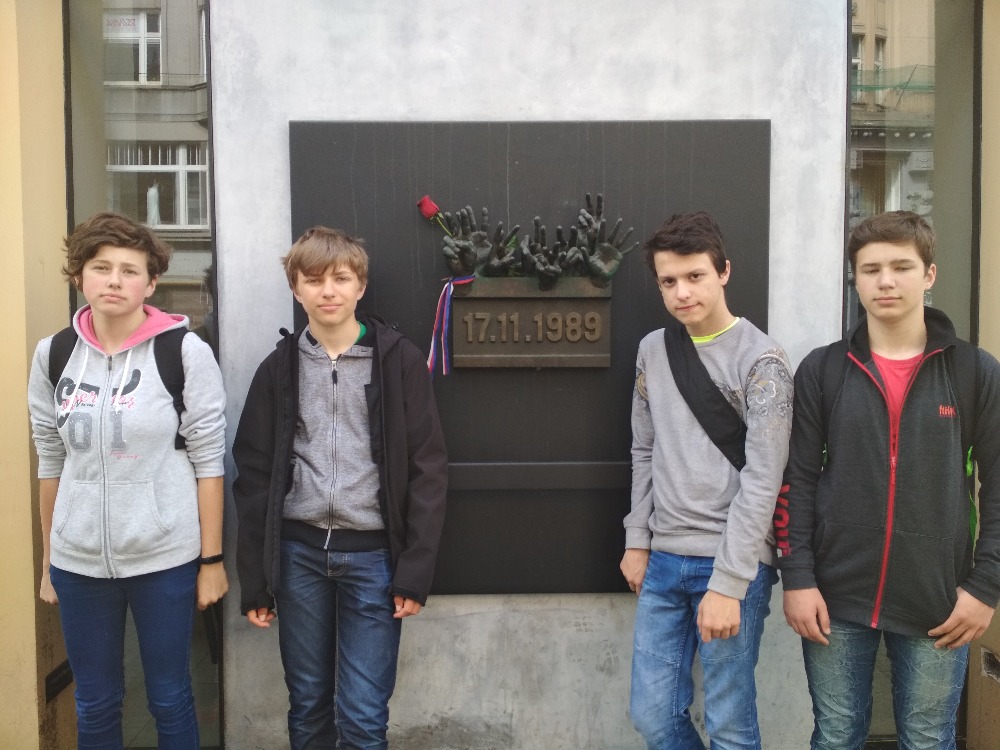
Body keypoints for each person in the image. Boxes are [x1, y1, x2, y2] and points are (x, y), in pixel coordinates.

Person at [780, 210, 1000, 750]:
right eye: (871, 269)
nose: (886, 281)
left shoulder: (973, 371)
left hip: (939, 598)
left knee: (927, 739)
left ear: (929, 275)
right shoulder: (823, 370)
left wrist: (985, 586)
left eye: (901, 267)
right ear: (855, 280)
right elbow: (798, 480)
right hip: (835, 595)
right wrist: (798, 577)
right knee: (836, 736)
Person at [233, 226, 448, 750]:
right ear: (295, 288)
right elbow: (254, 473)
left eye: (340, 278)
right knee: (307, 705)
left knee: (363, 716)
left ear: (360, 286)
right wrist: (256, 578)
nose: (327, 291)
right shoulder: (278, 368)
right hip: (300, 556)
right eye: (313, 280)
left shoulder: (398, 361)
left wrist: (413, 572)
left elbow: (428, 468)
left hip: (374, 560)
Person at [28, 212, 228, 748]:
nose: (114, 280)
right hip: (78, 564)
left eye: (130, 270)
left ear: (151, 282)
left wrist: (211, 561)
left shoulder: (182, 351)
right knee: (94, 703)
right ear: (79, 276)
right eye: (101, 267)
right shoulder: (54, 355)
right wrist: (49, 563)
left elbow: (209, 462)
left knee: (169, 697)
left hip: (163, 558)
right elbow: (50, 461)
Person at [621, 211, 793, 750]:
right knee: (653, 717)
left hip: (731, 562)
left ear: (723, 272)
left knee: (729, 726)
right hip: (663, 562)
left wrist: (729, 583)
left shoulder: (762, 360)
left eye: (695, 276)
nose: (682, 292)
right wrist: (637, 539)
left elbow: (764, 478)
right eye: (668, 281)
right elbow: (644, 448)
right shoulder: (653, 349)